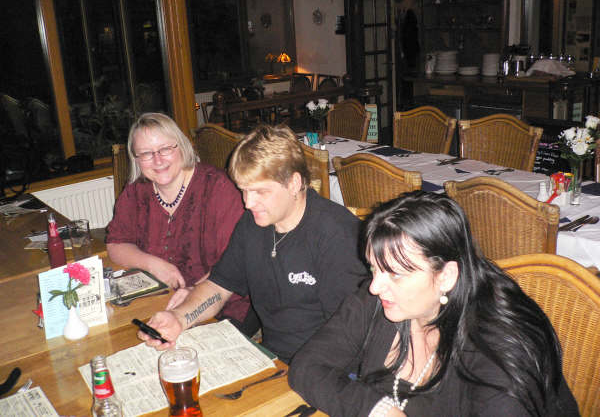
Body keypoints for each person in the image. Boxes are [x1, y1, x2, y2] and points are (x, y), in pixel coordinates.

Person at [289, 191, 579, 416]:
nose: (375, 286)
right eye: (374, 268)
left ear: (446, 276)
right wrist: (377, 409)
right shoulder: (383, 299)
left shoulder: (496, 357)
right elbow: (306, 366)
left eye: (395, 274)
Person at [138, 124, 368, 363]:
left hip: (323, 367)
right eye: (244, 190)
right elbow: (219, 286)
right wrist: (179, 318)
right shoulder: (252, 224)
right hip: (272, 358)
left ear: (293, 183)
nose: (248, 203)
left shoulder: (336, 235)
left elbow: (348, 336)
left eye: (260, 192)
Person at [106, 113, 255, 335]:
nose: (158, 160)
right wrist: (154, 264)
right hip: (162, 301)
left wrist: (194, 293)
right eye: (146, 153)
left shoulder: (218, 188)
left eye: (165, 149)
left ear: (182, 147)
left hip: (222, 306)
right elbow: (116, 245)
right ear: (136, 159)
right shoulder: (136, 191)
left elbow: (234, 262)